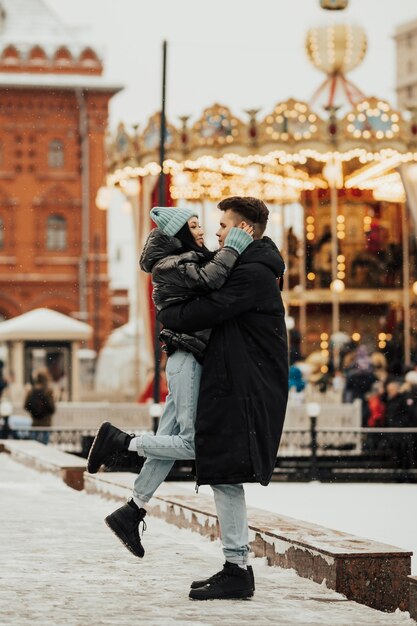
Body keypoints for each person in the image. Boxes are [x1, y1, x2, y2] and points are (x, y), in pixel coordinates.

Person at [87, 206, 254, 580]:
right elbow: (212, 279)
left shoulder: (185, 258)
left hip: (188, 359)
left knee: (168, 441)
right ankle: (123, 443)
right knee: (196, 443)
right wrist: (235, 247)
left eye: (200, 224)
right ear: (177, 233)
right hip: (187, 361)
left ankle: (132, 509)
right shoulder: (169, 264)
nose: (200, 231)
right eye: (192, 226)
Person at [158, 196, 288, 600]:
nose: (217, 233)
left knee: (226, 473)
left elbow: (207, 309)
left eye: (224, 225)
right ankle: (236, 567)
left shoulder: (253, 273)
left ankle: (238, 568)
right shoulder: (248, 266)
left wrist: (169, 313)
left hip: (245, 387)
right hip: (236, 382)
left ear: (243, 229)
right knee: (223, 473)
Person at [24, 369, 56, 444]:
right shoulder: (48, 391)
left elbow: (26, 406)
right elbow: (52, 408)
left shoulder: (31, 391)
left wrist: (34, 412)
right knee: (44, 448)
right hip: (46, 425)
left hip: (35, 423)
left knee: (34, 447)